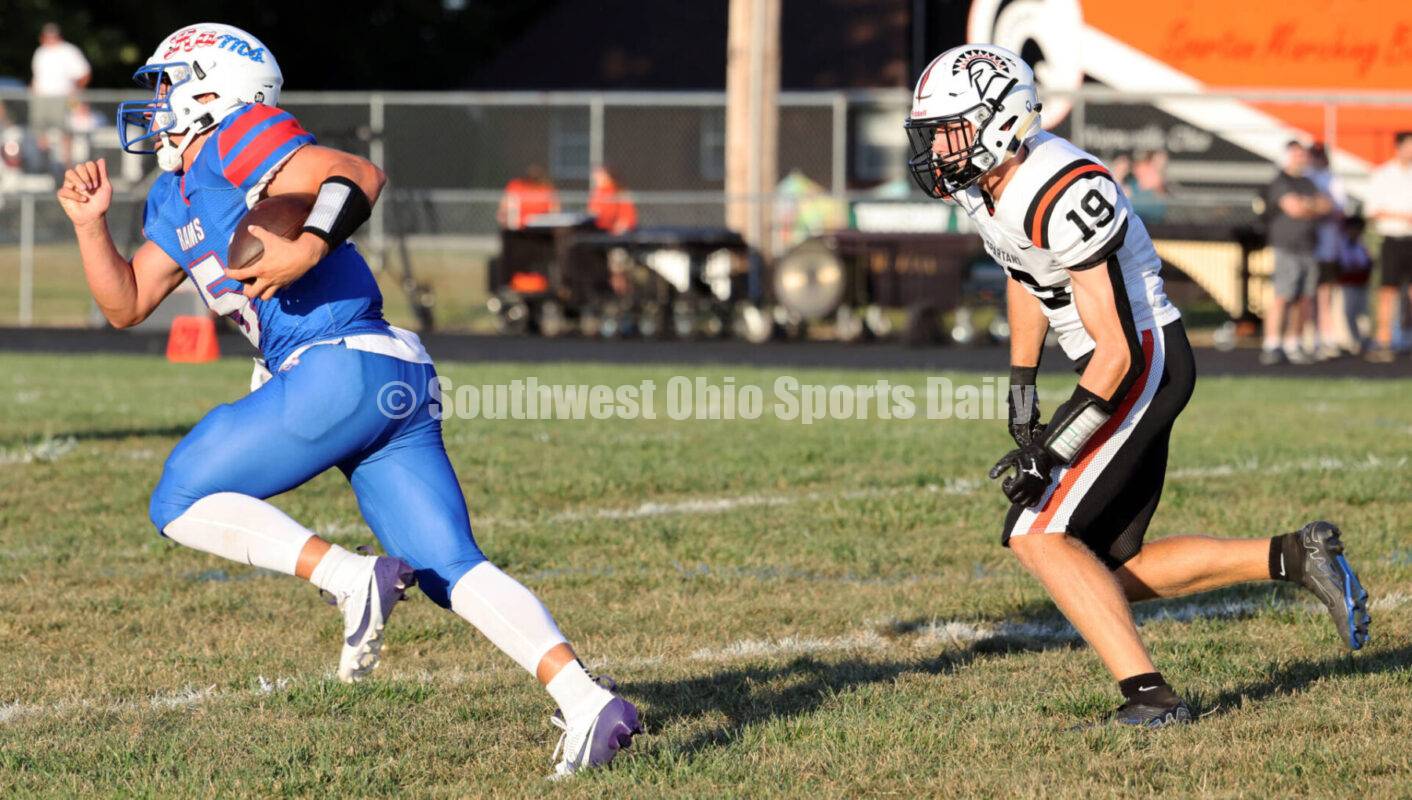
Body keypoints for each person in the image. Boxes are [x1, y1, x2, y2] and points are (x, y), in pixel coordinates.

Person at [57, 23, 639, 777]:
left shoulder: (239, 134)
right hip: (389, 376)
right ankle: (587, 700)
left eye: (168, 85)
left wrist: (306, 246)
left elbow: (355, 172)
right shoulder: (174, 195)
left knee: (178, 498)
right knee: (447, 565)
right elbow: (128, 302)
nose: (157, 104)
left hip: (338, 362)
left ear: (212, 90)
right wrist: (90, 228)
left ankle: (348, 578)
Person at [903, 44, 1370, 729]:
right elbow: (1023, 272)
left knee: (1037, 533)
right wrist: (1022, 388)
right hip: (1110, 364)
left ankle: (1151, 698)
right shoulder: (984, 182)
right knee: (1106, 564)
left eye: (949, 129)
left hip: (1139, 360)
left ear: (1000, 122)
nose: (936, 148)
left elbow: (1119, 351)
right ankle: (1297, 555)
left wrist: (1052, 450)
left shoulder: (1061, 187)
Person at [1260, 141, 1333, 365]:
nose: (1302, 159)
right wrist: (1311, 206)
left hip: (1308, 247)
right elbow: (1295, 209)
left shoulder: (1308, 182)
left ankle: (1294, 342)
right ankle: (1272, 343)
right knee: (1283, 295)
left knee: (1303, 298)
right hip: (1287, 246)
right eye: (1297, 155)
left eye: (1303, 155)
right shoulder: (1281, 181)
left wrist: (1307, 205)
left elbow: (1327, 206)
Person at [1364, 130, 1412, 363]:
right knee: (1388, 291)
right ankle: (1384, 340)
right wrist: (1403, 216)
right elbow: (1373, 210)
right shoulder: (1383, 175)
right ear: (1398, 147)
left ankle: (1407, 337)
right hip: (1392, 239)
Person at [29, 22, 91, 168]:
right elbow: (36, 77)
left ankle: (65, 166)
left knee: (65, 132)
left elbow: (84, 74)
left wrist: (76, 92)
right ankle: (43, 166)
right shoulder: (40, 52)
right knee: (39, 132)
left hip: (63, 98)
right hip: (41, 98)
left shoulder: (69, 51)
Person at [1307, 143, 1348, 359]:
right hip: (1307, 246)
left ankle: (1327, 336)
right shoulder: (1305, 178)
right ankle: (1309, 337)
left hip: (1327, 248)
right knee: (1307, 294)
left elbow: (1338, 210)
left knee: (1324, 294)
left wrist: (1321, 207)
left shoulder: (1333, 180)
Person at [496, 164, 560, 229]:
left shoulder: (546, 188)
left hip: (541, 228)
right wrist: (504, 220)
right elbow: (504, 207)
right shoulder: (516, 186)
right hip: (518, 228)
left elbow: (555, 210)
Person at [587, 165, 638, 234]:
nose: (596, 178)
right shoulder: (598, 192)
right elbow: (593, 212)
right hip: (599, 228)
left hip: (614, 229)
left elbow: (627, 215)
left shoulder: (618, 191)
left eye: (600, 175)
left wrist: (621, 226)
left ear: (608, 176)